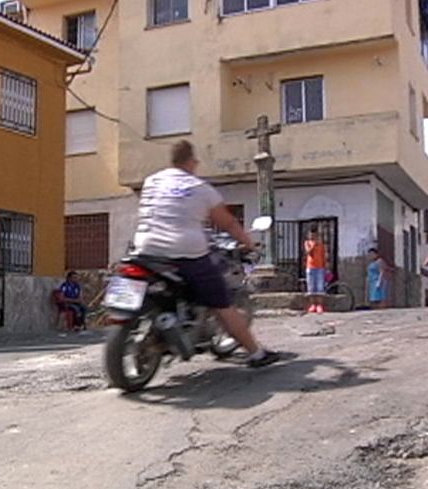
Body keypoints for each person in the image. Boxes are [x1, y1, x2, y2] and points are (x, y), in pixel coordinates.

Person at [132, 140, 281, 368]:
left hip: (145, 251)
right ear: (192, 162)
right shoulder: (199, 188)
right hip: (185, 255)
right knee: (221, 303)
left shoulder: (152, 181)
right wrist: (248, 243)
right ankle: (256, 353)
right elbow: (228, 223)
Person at [304, 228, 328, 314]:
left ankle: (319, 305)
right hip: (310, 267)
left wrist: (325, 267)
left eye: (314, 235)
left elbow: (323, 256)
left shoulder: (321, 245)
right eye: (311, 235)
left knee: (319, 287)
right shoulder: (307, 243)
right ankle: (312, 304)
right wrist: (313, 245)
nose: (312, 236)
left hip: (320, 268)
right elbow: (308, 252)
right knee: (311, 287)